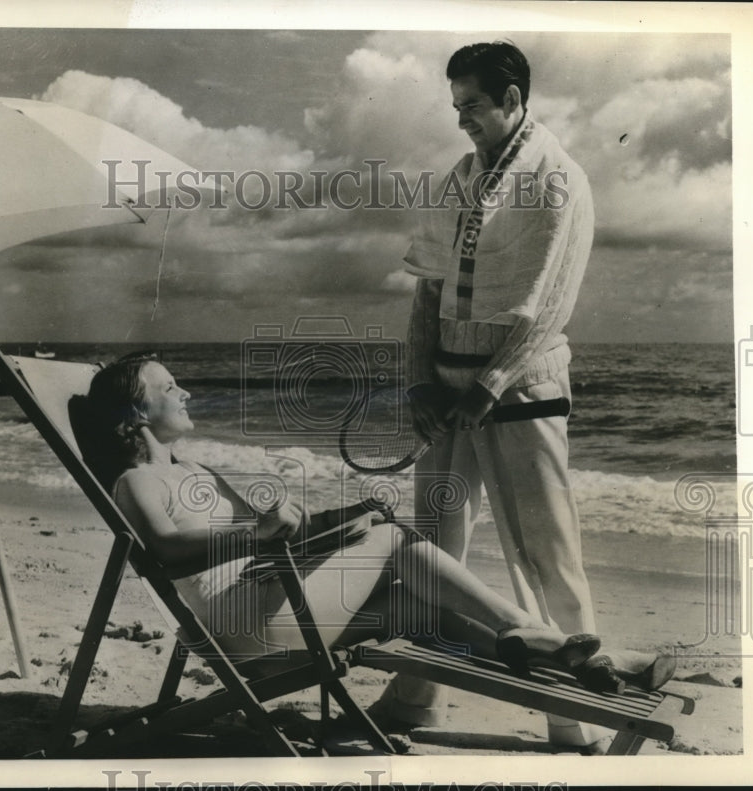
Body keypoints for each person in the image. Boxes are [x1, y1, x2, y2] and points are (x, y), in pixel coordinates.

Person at [78, 353, 673, 746]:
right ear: (136, 410)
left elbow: (288, 529)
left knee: (425, 611)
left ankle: (592, 664)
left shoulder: (197, 469)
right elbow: (166, 551)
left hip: (271, 596)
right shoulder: (137, 481)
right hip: (241, 623)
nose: (183, 390)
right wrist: (257, 533)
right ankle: (525, 627)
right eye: (167, 386)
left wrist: (345, 515)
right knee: (396, 542)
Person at [384, 40, 608, 750]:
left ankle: (575, 718)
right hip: (449, 390)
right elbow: (427, 291)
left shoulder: (560, 179)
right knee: (434, 549)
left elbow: (548, 306)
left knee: (545, 552)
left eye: (473, 105)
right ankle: (421, 692)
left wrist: (489, 384)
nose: (463, 121)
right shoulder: (458, 176)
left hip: (522, 386)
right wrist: (421, 378)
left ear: (513, 100)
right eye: (456, 107)